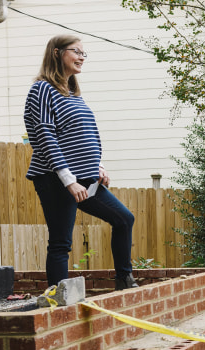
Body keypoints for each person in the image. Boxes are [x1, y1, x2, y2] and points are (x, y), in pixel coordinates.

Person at [24, 35, 138, 290]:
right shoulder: (41, 89)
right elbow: (44, 135)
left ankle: (124, 280)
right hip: (56, 178)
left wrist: (98, 165)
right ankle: (59, 300)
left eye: (84, 53)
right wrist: (68, 180)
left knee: (124, 219)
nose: (81, 57)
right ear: (56, 53)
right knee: (61, 242)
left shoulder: (74, 95)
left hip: (85, 178)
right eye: (76, 51)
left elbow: (86, 133)